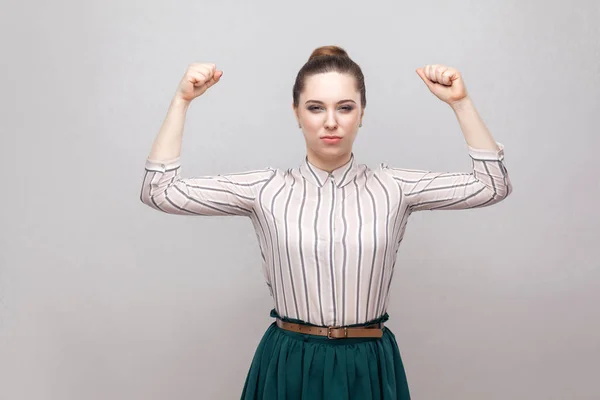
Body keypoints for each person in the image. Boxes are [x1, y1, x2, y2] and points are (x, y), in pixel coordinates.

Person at [139, 45, 512, 399]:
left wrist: (460, 103)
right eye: (316, 107)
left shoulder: (394, 187)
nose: (330, 122)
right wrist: (181, 101)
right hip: (288, 362)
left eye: (345, 108)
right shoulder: (264, 189)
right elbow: (159, 190)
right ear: (296, 112)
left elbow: (491, 186)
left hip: (368, 364)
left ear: (362, 113)